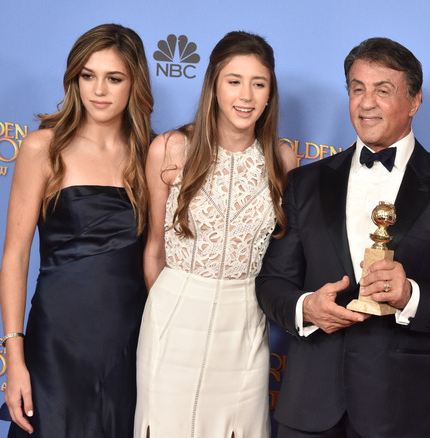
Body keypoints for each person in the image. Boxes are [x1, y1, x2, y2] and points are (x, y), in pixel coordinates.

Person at [255, 37, 430, 438]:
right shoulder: (304, 183)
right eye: (357, 89)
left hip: (403, 410)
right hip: (310, 406)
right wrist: (306, 308)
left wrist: (411, 296)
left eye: (383, 91)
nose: (366, 103)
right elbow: (271, 283)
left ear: (414, 101)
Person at [134, 31, 296, 437]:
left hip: (244, 322)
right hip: (173, 316)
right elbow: (154, 250)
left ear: (270, 93)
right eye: (234, 81)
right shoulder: (171, 148)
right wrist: (168, 309)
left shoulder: (282, 160)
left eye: (259, 84)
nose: (246, 96)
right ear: (214, 85)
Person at [0, 23, 152, 437]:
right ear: (74, 79)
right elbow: (15, 257)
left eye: (114, 78)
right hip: (55, 342)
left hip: (128, 344)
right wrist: (15, 357)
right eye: (88, 76)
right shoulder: (42, 148)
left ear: (134, 83)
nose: (99, 90)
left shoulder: (152, 154)